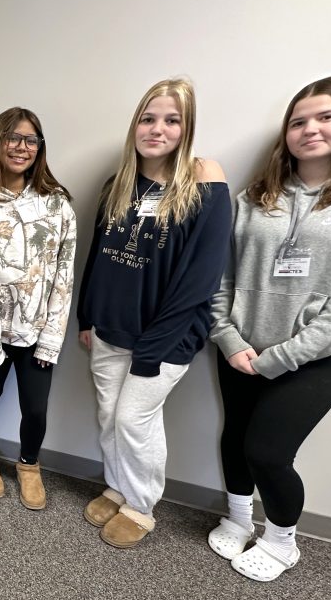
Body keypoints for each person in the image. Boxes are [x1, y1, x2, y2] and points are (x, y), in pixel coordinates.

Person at [208, 76, 331, 581]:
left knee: (267, 451)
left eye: (325, 117)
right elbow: (221, 273)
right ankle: (237, 516)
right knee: (234, 438)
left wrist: (282, 357)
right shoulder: (254, 195)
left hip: (316, 356)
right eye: (298, 121)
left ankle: (281, 541)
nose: (310, 129)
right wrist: (228, 338)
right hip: (239, 345)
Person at [76, 78, 231, 548]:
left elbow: (200, 278)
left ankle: (141, 507)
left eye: (171, 120)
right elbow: (99, 256)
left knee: (133, 420)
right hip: (108, 327)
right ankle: (118, 487)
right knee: (108, 416)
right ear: (134, 126)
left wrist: (157, 347)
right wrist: (87, 316)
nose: (157, 129)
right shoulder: (118, 183)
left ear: (187, 128)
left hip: (166, 336)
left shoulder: (205, 180)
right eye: (148, 118)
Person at [0, 107, 75, 510]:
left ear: (40, 147)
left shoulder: (57, 205)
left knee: (35, 407)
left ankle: (28, 465)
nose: (22, 147)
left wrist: (50, 340)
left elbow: (63, 275)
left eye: (31, 140)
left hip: (39, 330)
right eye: (13, 138)